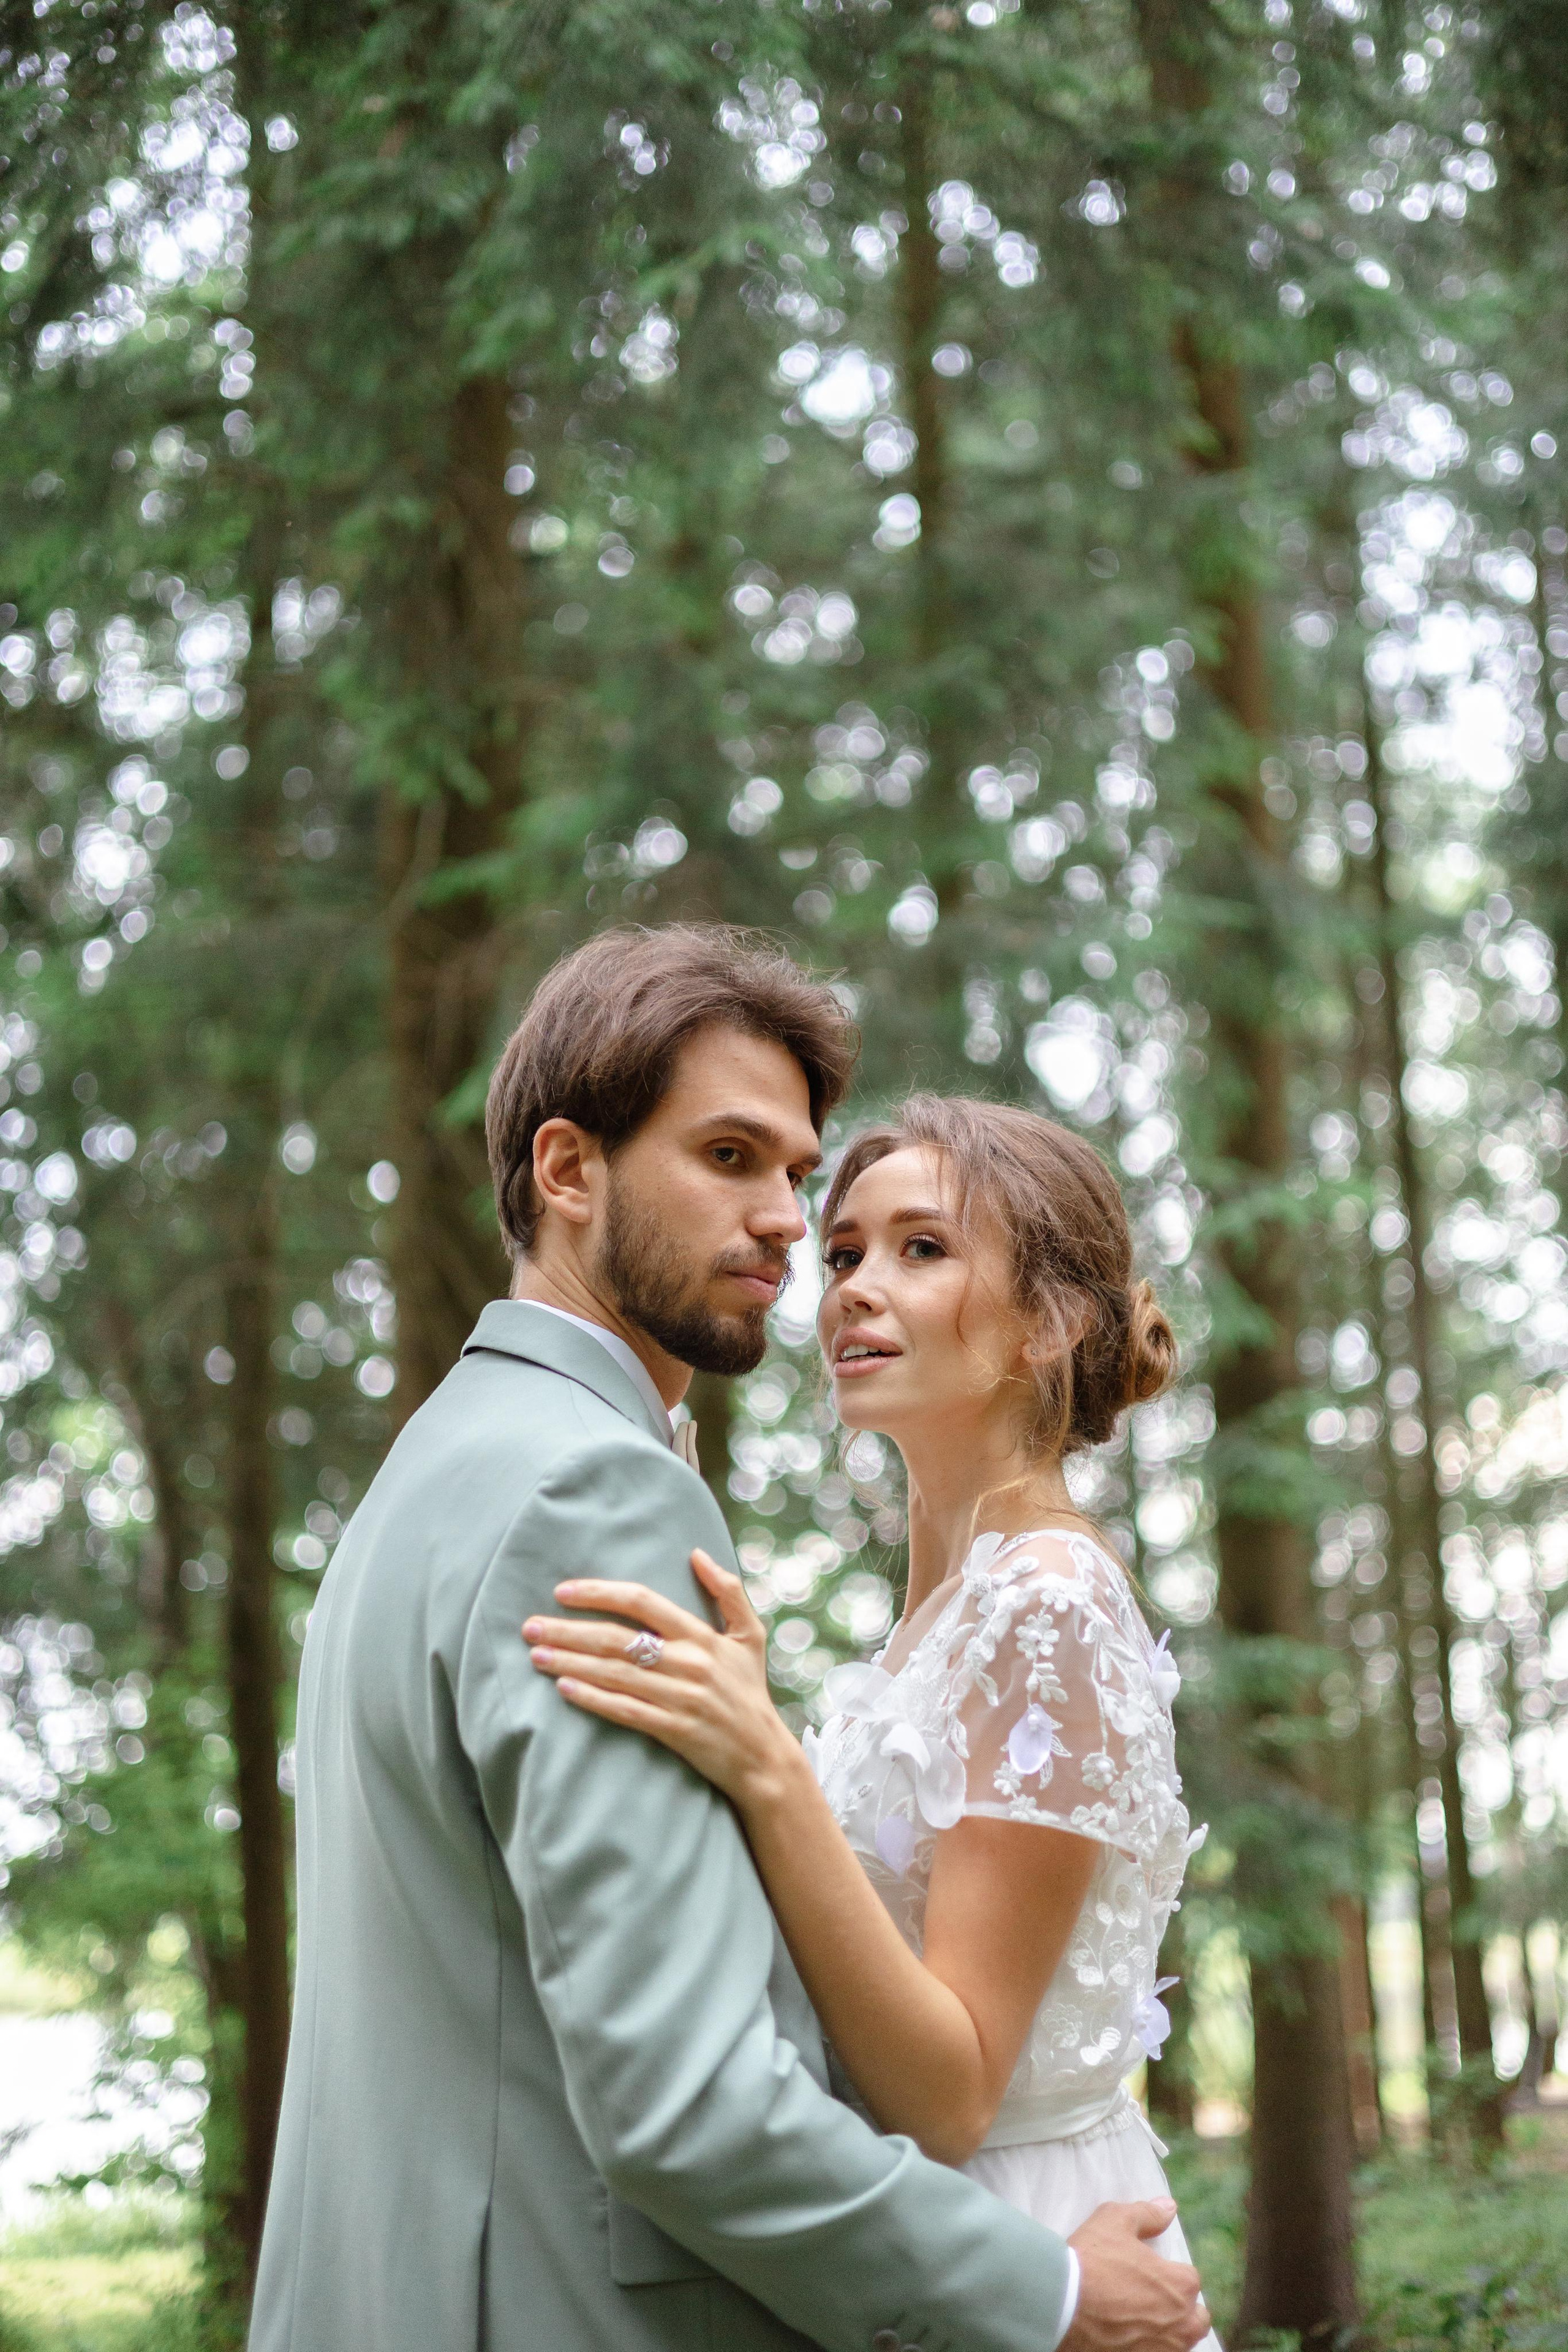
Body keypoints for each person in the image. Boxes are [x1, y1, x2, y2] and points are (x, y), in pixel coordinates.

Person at [251, 925, 1208, 2352]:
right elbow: (686, 2097)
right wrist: (1044, 2295)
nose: (785, 1229)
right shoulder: (593, 1487)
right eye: (728, 1159)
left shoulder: (434, 1468)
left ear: (1041, 1328)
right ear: (567, 1172)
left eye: (794, 1176)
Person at [523, 1090, 1220, 2345]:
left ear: (1047, 1323)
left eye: (920, 1249)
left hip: (1031, 2233)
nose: (848, 1284)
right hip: (923, 2243)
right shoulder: (947, 1610)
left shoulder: (1046, 1609)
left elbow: (948, 2093)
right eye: (841, 1251)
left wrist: (769, 1771)